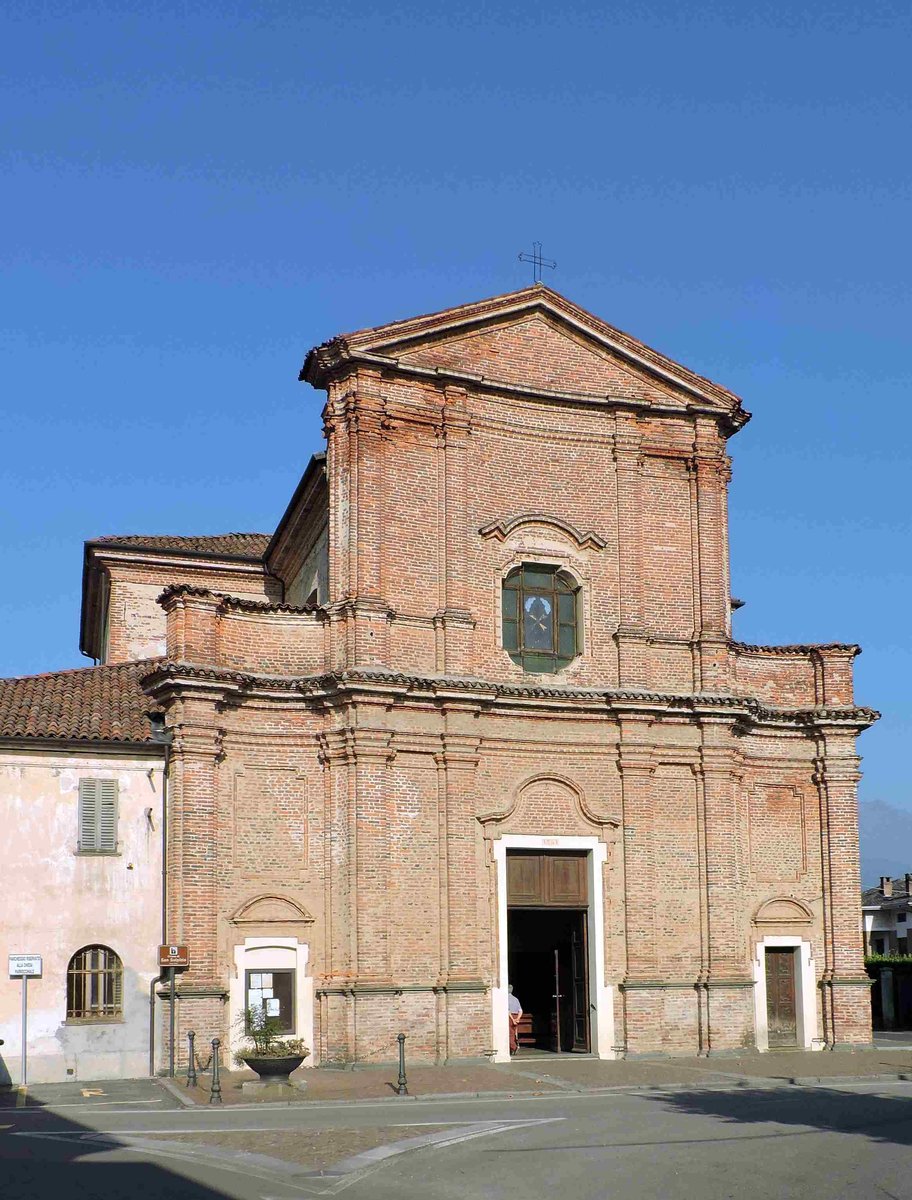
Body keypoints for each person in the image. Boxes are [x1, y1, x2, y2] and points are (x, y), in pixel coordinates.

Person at [508, 985, 523, 1055]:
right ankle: (512, 1048)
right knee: (514, 1033)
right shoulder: (516, 999)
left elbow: (507, 1011)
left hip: (509, 1017)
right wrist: (517, 1019)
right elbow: (520, 1010)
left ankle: (514, 1047)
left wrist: (513, 1019)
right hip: (516, 1016)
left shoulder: (506, 998)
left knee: (510, 1033)